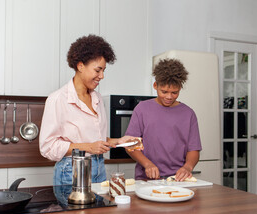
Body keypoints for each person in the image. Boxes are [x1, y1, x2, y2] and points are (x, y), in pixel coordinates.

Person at [39, 34, 137, 186]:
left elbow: (96, 139)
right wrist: (88, 147)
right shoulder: (58, 99)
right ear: (80, 66)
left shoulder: (97, 98)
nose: (102, 76)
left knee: (99, 210)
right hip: (71, 172)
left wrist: (119, 141)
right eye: (98, 70)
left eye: (104, 71)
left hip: (99, 169)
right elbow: (48, 147)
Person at [125, 58, 202, 181]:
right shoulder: (142, 109)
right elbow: (130, 144)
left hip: (177, 179)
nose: (169, 97)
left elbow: (193, 149)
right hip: (146, 179)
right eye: (164, 91)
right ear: (155, 85)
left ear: (180, 88)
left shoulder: (188, 114)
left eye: (174, 92)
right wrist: (147, 164)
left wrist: (188, 167)